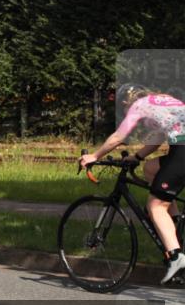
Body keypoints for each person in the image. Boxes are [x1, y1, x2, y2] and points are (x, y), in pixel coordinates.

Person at [79, 84, 185, 284]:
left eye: (122, 108)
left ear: (127, 101)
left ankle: (176, 257)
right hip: (179, 149)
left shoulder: (139, 105)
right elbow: (161, 136)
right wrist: (137, 156)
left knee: (154, 206)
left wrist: (94, 155)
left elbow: (119, 137)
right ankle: (176, 219)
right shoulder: (160, 99)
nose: (125, 112)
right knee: (151, 169)